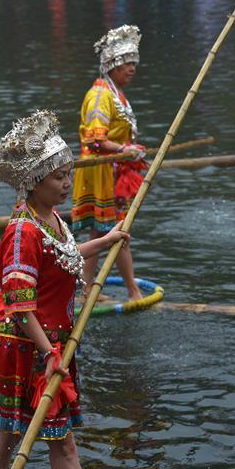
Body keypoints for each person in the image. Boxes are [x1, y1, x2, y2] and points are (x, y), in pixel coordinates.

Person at [0, 111, 131, 469]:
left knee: (9, 435)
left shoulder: (52, 220)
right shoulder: (21, 232)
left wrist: (106, 241)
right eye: (60, 177)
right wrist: (49, 356)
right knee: (51, 440)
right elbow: (20, 306)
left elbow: (65, 257)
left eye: (68, 174)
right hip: (29, 349)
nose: (67, 184)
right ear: (35, 181)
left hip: (50, 346)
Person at [71, 24, 147, 301]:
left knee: (101, 231)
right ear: (112, 65)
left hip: (111, 168)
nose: (132, 68)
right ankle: (133, 291)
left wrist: (127, 150)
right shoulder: (100, 96)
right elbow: (95, 139)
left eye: (134, 63)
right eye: (126, 63)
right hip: (101, 169)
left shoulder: (114, 94)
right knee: (117, 230)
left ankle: (87, 287)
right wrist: (125, 149)